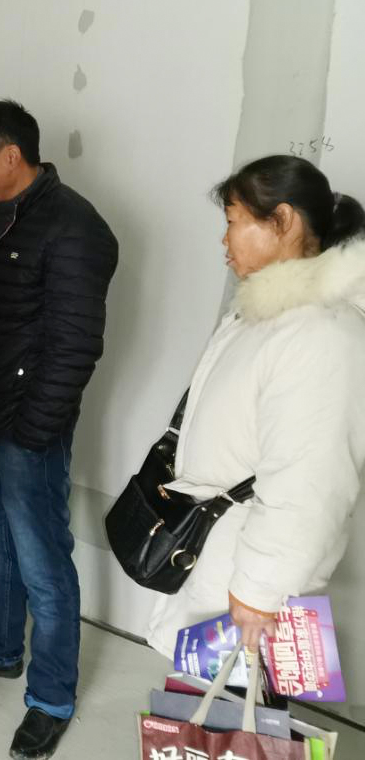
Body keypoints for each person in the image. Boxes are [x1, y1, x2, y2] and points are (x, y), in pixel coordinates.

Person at [0, 101, 118, 760]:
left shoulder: (74, 228)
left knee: (44, 566)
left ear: (11, 155)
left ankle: (52, 699)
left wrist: (34, 431)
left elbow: (75, 348)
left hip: (27, 431)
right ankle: (1, 649)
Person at [146, 155, 365, 658]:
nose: (224, 240)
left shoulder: (323, 333)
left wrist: (259, 590)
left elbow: (311, 481)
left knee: (241, 707)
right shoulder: (267, 314)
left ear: (282, 221)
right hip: (225, 563)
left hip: (254, 593)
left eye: (233, 221)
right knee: (203, 703)